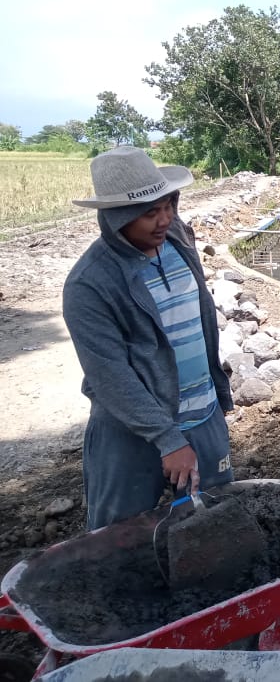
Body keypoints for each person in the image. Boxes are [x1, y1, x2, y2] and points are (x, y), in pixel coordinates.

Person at [63, 146, 234, 529]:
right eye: (149, 213)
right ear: (116, 217)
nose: (164, 219)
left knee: (217, 526)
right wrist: (168, 439)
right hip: (132, 435)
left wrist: (218, 397)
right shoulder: (89, 284)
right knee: (119, 538)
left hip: (203, 415)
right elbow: (110, 375)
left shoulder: (177, 238)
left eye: (168, 205)